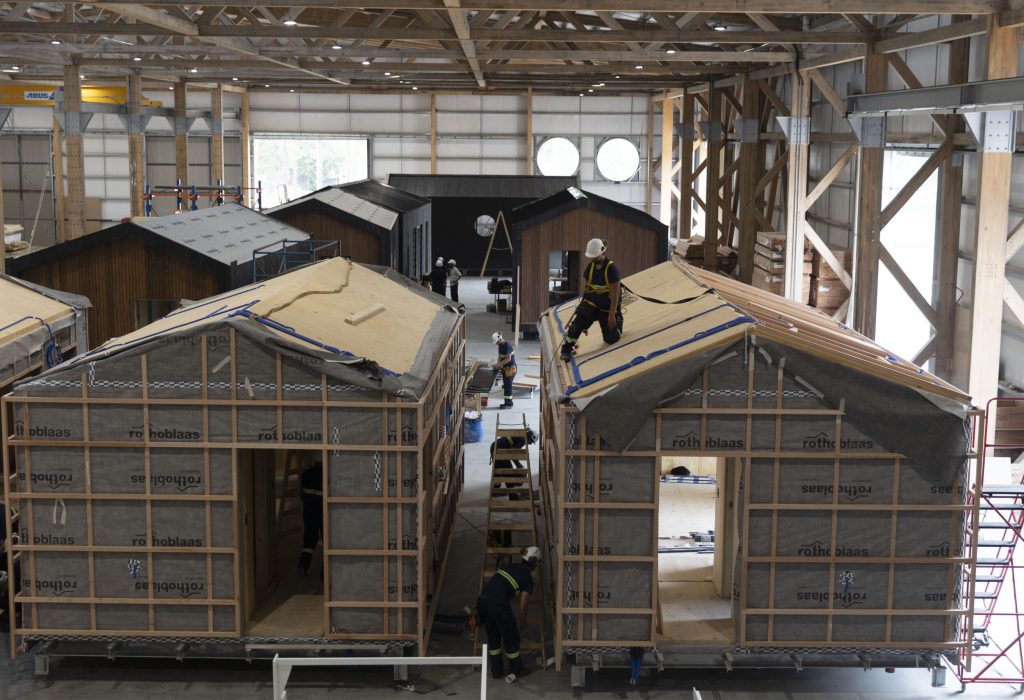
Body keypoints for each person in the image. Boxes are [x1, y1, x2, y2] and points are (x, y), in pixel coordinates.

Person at [477, 546, 541, 683]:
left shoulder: (509, 566)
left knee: (493, 636)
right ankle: (516, 669)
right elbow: (523, 606)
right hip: (498, 605)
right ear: (535, 564)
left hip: (483, 600)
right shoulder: (528, 579)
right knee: (511, 636)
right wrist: (522, 622)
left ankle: (496, 670)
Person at [560, 238, 623, 362]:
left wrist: (612, 316)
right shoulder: (590, 268)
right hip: (592, 304)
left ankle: (618, 323)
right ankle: (566, 350)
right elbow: (587, 288)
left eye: (595, 256)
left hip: (606, 307)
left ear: (602, 252)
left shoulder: (611, 269)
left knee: (611, 339)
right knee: (575, 326)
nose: (593, 259)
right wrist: (583, 313)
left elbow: (615, 294)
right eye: (591, 257)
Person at [489, 427, 537, 547]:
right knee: (508, 474)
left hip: (494, 447)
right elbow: (513, 454)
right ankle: (513, 496)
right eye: (531, 442)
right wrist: (519, 465)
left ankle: (496, 489)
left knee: (499, 471)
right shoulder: (522, 439)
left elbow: (512, 452)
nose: (529, 444)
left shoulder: (520, 434)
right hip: (499, 451)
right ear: (529, 437)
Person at [297, 461, 323, 576]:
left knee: (309, 539)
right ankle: (325, 573)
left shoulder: (306, 473)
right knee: (328, 541)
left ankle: (303, 565)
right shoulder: (327, 473)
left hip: (309, 511)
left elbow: (302, 495)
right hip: (323, 511)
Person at [492, 331, 516, 409]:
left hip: (510, 369)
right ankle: (507, 403)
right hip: (505, 369)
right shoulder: (500, 346)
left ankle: (509, 404)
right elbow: (500, 356)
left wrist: (499, 364)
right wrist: (497, 364)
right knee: (506, 386)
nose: (496, 344)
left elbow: (508, 359)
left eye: (496, 342)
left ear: (500, 339)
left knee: (508, 387)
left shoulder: (507, 345)